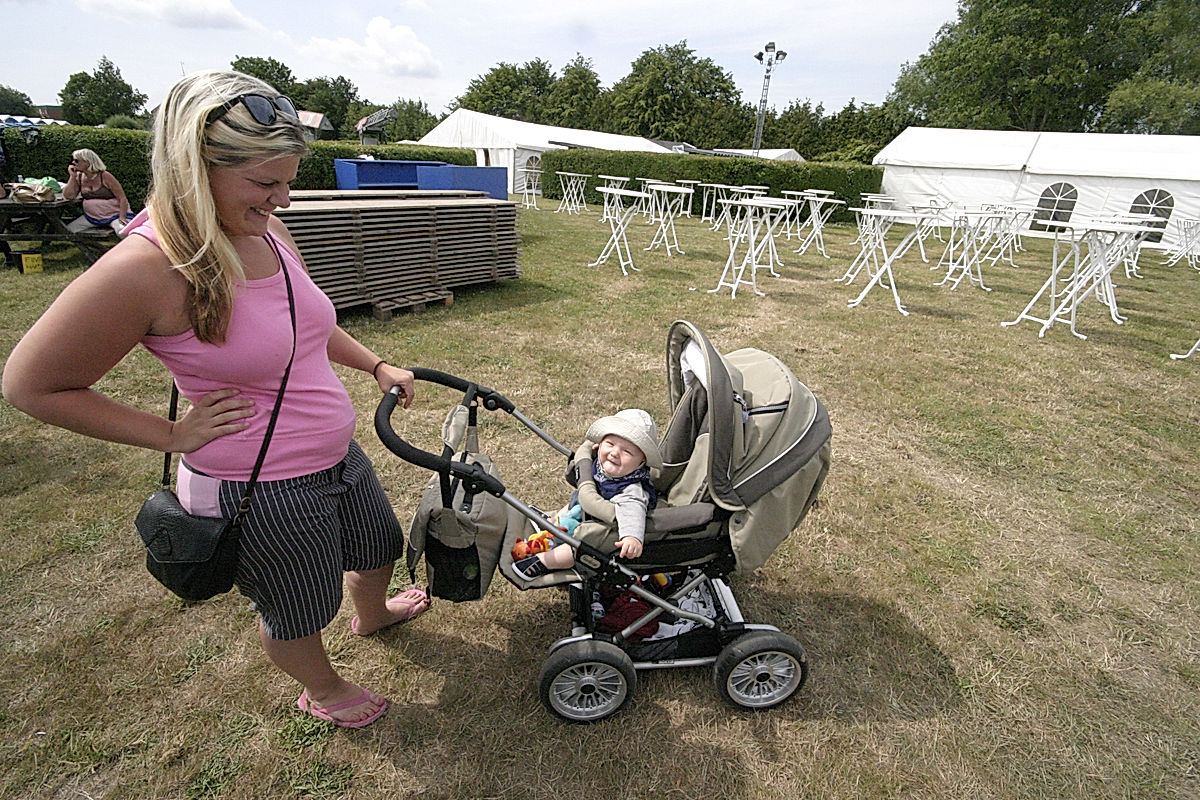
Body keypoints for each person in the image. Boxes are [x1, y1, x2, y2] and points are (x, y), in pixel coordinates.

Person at [2, 70, 428, 729]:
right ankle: (322, 687)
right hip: (260, 488)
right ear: (194, 166)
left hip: (338, 454)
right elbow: (29, 385)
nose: (282, 199)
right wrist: (170, 435)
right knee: (298, 607)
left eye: (287, 181)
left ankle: (371, 615)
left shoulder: (265, 232)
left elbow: (305, 321)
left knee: (378, 544)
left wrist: (374, 363)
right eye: (265, 184)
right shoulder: (143, 268)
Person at [512, 408, 661, 580]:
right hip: (584, 511)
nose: (614, 453)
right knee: (574, 504)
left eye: (626, 452)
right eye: (610, 444)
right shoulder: (605, 464)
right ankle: (552, 525)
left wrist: (632, 537)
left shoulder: (631, 490)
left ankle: (545, 561)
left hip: (603, 527)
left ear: (641, 462)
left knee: (582, 543)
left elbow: (633, 514)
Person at [62, 148, 135, 233]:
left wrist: (122, 217)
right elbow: (69, 196)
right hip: (92, 217)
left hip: (114, 215)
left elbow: (122, 198)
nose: (73, 163)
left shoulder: (105, 176)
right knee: (69, 231)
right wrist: (72, 176)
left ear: (87, 162)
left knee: (122, 231)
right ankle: (92, 246)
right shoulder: (79, 176)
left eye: (76, 160)